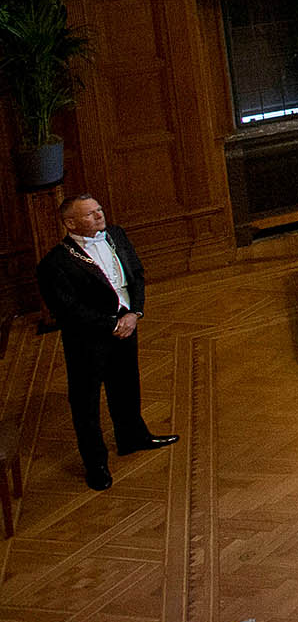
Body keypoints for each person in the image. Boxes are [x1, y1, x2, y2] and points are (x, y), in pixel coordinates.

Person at [36, 194, 178, 492]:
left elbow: (136, 275)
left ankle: (132, 437)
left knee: (126, 386)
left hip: (127, 326)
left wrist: (135, 313)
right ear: (70, 223)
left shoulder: (116, 234)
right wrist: (112, 324)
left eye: (99, 210)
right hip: (89, 340)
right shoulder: (54, 263)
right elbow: (68, 310)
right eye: (90, 214)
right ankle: (96, 464)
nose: (99, 216)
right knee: (86, 403)